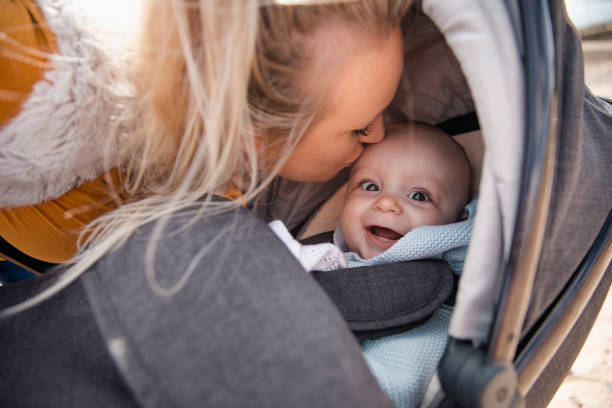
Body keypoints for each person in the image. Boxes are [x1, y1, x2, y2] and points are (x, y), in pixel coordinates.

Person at [0, 1, 412, 407]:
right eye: (359, 127)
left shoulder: (225, 173)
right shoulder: (25, 63)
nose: (377, 136)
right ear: (250, 131)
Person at [270, 121, 476, 408]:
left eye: (419, 196)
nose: (387, 202)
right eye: (370, 186)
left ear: (457, 221)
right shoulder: (325, 256)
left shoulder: (449, 268)